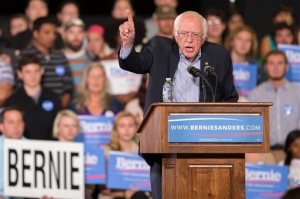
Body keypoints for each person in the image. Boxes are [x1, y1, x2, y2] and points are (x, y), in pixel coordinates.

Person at [119, 10, 238, 198]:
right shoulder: (159, 48)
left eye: (195, 35)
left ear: (204, 37)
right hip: (164, 145)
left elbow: (230, 98)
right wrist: (127, 44)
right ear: (175, 34)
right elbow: (136, 63)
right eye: (183, 34)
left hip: (205, 146)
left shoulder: (219, 56)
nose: (189, 40)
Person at [247, 50, 300, 163]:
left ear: (286, 67)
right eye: (271, 63)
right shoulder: (255, 94)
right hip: (265, 154)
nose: (275, 68)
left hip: (293, 155)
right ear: (265, 67)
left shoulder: (297, 92)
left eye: (280, 63)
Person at [5, 54, 61, 140]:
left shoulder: (53, 98)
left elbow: (59, 127)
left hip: (50, 148)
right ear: (20, 74)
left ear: (42, 72)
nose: (33, 76)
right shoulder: (12, 101)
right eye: (28, 72)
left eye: (36, 71)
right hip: (21, 148)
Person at [22, 16, 73, 108]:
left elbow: (68, 86)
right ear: (36, 34)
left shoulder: (60, 56)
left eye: (54, 33)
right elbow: (20, 87)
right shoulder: (25, 56)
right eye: (47, 33)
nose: (52, 37)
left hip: (60, 108)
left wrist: (59, 107)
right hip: (33, 109)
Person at [100, 111, 149, 199]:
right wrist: (124, 194)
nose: (126, 130)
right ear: (116, 129)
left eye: (130, 125)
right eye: (122, 126)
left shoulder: (143, 151)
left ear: (136, 128)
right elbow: (101, 189)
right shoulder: (106, 152)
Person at [0, 107, 25, 199]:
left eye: (19, 122)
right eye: (11, 122)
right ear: (1, 127)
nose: (16, 126)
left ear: (23, 125)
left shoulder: (34, 148)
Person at [63, 18, 92, 94]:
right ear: (64, 35)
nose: (76, 36)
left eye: (79, 32)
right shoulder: (56, 58)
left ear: (84, 35)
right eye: (71, 32)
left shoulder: (92, 58)